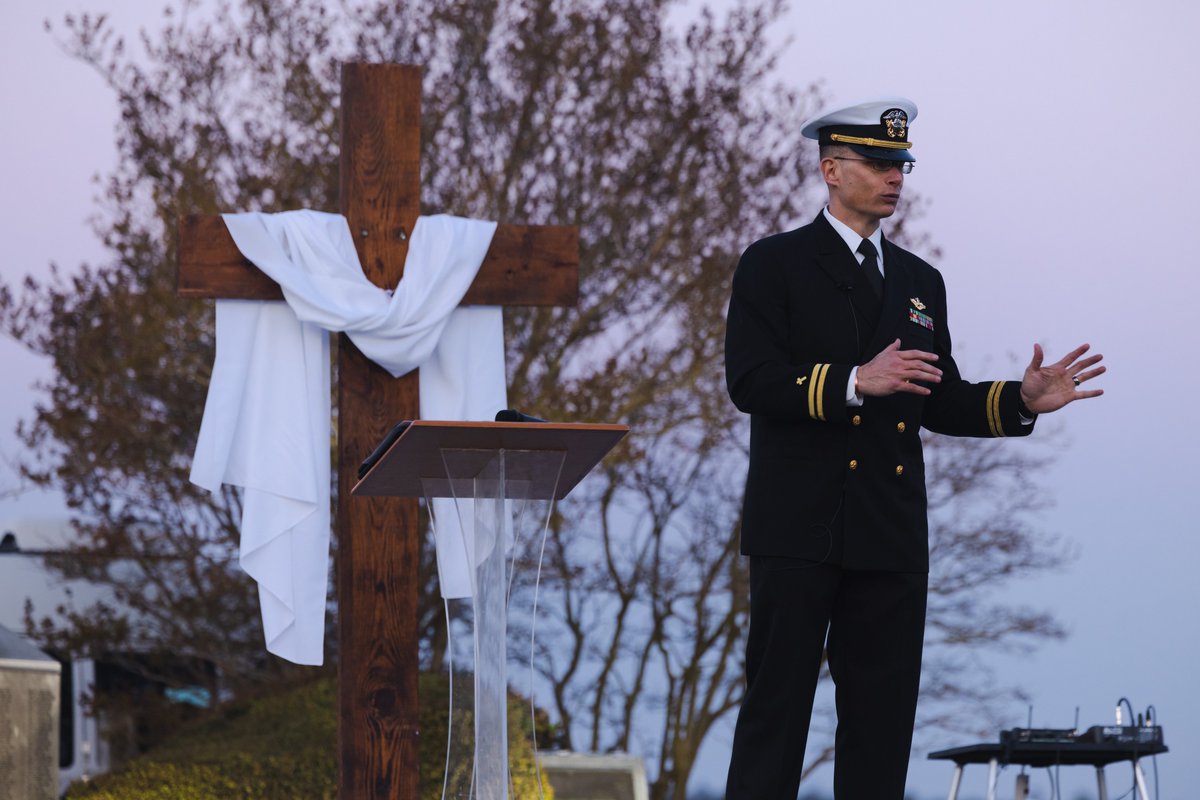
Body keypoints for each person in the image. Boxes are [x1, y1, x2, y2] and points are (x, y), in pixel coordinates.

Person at [722, 97, 1104, 799]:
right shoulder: (772, 265)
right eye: (877, 162)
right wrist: (853, 382)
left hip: (890, 532)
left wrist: (1020, 400)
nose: (895, 176)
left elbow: (940, 398)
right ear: (830, 170)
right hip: (798, 526)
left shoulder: (920, 282)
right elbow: (750, 380)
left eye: (901, 164)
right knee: (777, 715)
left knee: (881, 725)